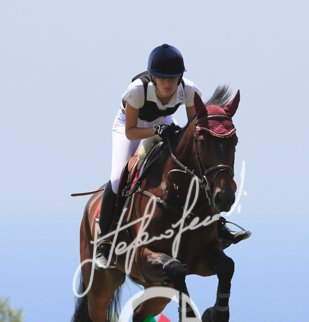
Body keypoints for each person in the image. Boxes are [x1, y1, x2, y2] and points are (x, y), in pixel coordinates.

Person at [95, 44, 250, 269]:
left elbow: (194, 127)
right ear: (153, 77)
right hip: (131, 127)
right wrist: (155, 131)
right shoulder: (136, 91)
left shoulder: (189, 90)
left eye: (173, 78)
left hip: (164, 123)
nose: (168, 83)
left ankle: (218, 226)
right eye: (162, 78)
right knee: (118, 178)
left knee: (196, 170)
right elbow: (130, 132)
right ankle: (104, 241)